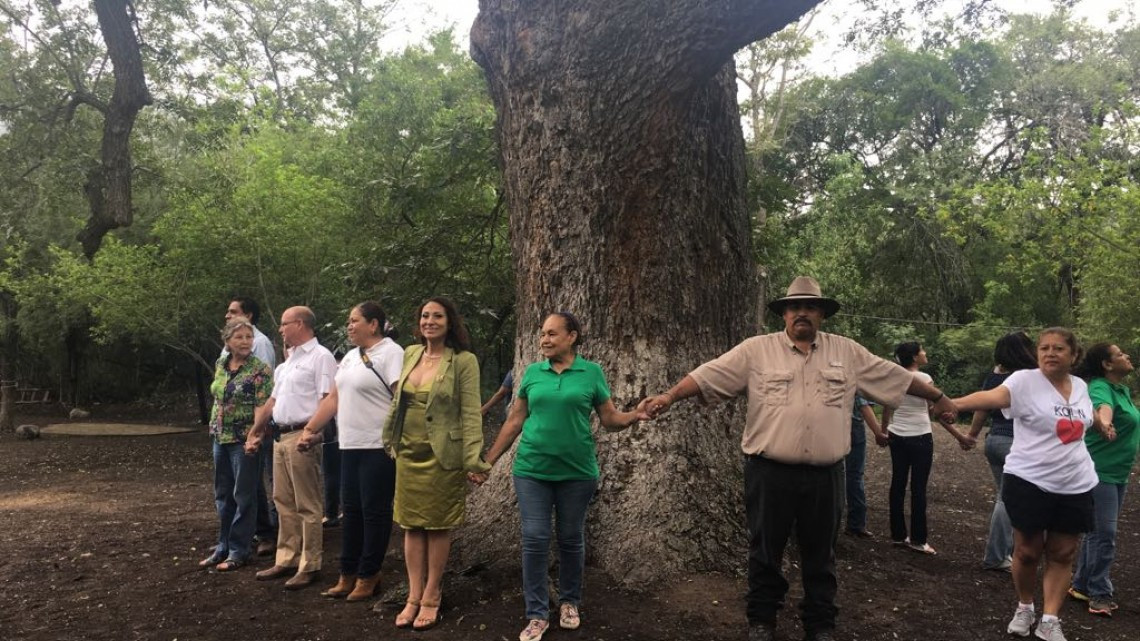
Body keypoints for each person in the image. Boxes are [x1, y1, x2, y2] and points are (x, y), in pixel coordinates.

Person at [641, 276, 957, 641]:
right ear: (784, 314)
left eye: (810, 307)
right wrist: (668, 396)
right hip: (768, 472)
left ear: (821, 314)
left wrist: (939, 396)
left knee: (821, 554)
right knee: (764, 550)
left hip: (826, 474)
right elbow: (708, 375)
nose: (801, 313)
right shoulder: (756, 350)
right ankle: (761, 621)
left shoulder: (848, 352)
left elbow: (896, 378)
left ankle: (820, 624)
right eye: (794, 307)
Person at [472, 313, 648, 641]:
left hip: (577, 473)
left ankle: (570, 602)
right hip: (532, 471)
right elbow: (514, 422)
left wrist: (635, 415)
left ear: (572, 337)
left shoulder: (591, 372)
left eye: (552, 334)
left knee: (570, 538)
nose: (544, 340)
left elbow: (609, 419)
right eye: (542, 334)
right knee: (535, 539)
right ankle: (536, 613)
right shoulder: (532, 374)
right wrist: (488, 462)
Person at [951, 328, 1100, 641]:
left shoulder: (1082, 387)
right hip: (1030, 479)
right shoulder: (1024, 381)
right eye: (1044, 348)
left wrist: (1104, 421)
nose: (1049, 353)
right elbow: (992, 397)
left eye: (1058, 348)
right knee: (1028, 552)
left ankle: (1050, 620)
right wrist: (954, 403)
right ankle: (1025, 606)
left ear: (1073, 355)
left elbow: (1089, 417)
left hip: (1075, 482)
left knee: (1062, 553)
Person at [383, 297, 490, 631]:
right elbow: (398, 402)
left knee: (437, 525)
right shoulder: (410, 353)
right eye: (425, 316)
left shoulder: (463, 361)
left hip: (443, 454)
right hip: (408, 452)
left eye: (438, 316)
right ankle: (413, 595)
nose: (430, 321)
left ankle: (432, 594)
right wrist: (390, 438)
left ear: (450, 322)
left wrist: (473, 458)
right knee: (411, 524)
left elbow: (471, 411)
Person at [296, 302, 404, 602]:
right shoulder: (350, 358)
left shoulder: (392, 352)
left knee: (375, 512)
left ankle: (369, 574)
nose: (349, 325)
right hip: (350, 445)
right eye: (348, 321)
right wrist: (310, 429)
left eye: (354, 320)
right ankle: (347, 572)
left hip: (378, 447)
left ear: (374, 324)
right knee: (351, 512)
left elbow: (401, 398)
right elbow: (334, 398)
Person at [247, 306, 338, 590]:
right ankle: (286, 557)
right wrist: (255, 432)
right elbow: (272, 402)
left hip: (302, 434)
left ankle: (310, 564)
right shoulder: (286, 364)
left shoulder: (321, 357)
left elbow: (327, 399)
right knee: (282, 500)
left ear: (300, 324)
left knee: (307, 503)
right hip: (279, 436)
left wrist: (313, 432)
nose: (281, 329)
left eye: (285, 324)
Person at [881, 342, 973, 555]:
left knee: (897, 483)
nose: (925, 353)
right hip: (920, 436)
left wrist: (883, 431)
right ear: (914, 357)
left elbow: (887, 407)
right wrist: (959, 434)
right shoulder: (924, 379)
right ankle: (918, 540)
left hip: (897, 434)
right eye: (922, 350)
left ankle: (897, 535)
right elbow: (936, 413)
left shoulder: (894, 376)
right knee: (918, 488)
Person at [1069, 342, 1139, 617]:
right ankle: (1099, 593)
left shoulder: (1122, 389)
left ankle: (1081, 584)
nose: (1127, 356)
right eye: (1120, 354)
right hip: (1100, 473)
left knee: (1097, 533)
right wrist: (1105, 423)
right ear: (1107, 365)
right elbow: (1102, 409)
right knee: (1105, 535)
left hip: (1117, 473)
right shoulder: (1100, 386)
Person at [199, 318, 273, 572]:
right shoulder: (221, 363)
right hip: (220, 437)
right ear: (228, 341)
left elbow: (263, 407)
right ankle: (222, 546)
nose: (245, 342)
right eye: (239, 337)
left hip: (245, 440)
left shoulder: (260, 370)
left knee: (244, 495)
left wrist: (255, 435)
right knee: (222, 494)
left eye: (248, 337)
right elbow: (219, 397)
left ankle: (239, 550)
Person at [966, 331, 1037, 571]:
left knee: (1005, 497)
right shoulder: (1023, 377)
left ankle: (1006, 551)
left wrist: (973, 435)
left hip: (994, 440)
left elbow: (981, 408)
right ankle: (996, 556)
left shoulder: (995, 374)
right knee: (1008, 499)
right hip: (1014, 443)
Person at [223, 297, 277, 557]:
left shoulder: (261, 345)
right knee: (236, 487)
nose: (227, 315)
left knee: (252, 485)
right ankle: (237, 537)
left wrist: (256, 431)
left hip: (252, 429)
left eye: (233, 311)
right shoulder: (224, 356)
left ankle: (264, 533)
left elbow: (263, 390)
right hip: (224, 433)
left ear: (249, 316)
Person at [843, 393, 887, 538]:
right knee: (855, 476)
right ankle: (855, 524)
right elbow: (863, 405)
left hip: (833, 425)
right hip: (853, 426)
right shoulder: (855, 374)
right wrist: (878, 433)